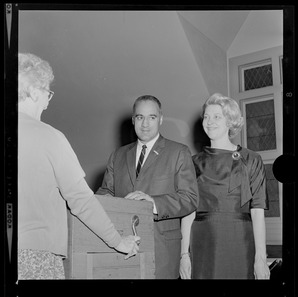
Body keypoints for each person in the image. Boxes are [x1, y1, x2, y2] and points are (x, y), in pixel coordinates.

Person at [18, 53, 140, 279]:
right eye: (47, 92)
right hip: (35, 258)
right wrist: (118, 241)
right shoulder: (51, 137)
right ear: (34, 92)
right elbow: (81, 200)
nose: (48, 100)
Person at [96, 95, 199, 279]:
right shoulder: (118, 155)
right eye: (140, 117)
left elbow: (190, 199)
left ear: (160, 119)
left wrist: (153, 203)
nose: (145, 124)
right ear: (133, 120)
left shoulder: (178, 152)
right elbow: (106, 192)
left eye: (151, 117)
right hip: (124, 248)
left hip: (163, 252)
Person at [180, 93, 270, 279]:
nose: (209, 122)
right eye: (206, 117)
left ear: (230, 121)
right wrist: (184, 255)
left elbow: (257, 211)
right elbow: (188, 213)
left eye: (216, 117)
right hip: (203, 242)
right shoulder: (193, 163)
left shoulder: (251, 159)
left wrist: (260, 257)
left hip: (241, 242)